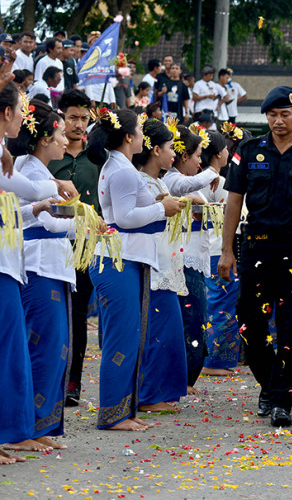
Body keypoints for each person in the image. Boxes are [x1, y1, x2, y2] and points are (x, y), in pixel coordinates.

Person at [219, 85, 292, 428]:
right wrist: (226, 250)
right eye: (272, 115)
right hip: (257, 247)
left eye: (285, 114)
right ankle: (269, 382)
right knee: (249, 320)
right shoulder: (249, 151)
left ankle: (281, 399)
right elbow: (234, 201)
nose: (278, 121)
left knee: (291, 326)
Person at [88, 107, 183, 430]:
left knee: (131, 338)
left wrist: (159, 205)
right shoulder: (123, 170)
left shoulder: (120, 166)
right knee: (122, 340)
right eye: (141, 132)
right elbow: (125, 218)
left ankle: (123, 411)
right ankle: (113, 414)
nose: (144, 137)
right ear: (129, 137)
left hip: (127, 258)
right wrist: (161, 208)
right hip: (119, 259)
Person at [11, 100, 74, 452]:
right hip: (38, 265)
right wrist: (84, 223)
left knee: (55, 347)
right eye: (62, 134)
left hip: (52, 265)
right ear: (45, 138)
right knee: (41, 346)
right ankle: (29, 425)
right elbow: (47, 221)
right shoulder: (29, 171)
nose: (66, 140)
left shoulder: (38, 171)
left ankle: (41, 424)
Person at [133, 118, 189, 413]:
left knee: (168, 331)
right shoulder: (140, 181)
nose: (173, 154)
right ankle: (149, 395)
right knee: (156, 332)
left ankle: (160, 392)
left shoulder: (158, 182)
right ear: (155, 150)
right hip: (152, 267)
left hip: (165, 265)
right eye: (170, 147)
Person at [50, 89, 100, 407]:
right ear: (62, 117)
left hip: (85, 248)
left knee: (77, 315)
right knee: (52, 314)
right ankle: (48, 379)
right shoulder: (50, 153)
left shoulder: (97, 158)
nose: (79, 124)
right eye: (73, 118)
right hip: (50, 245)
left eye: (84, 118)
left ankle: (73, 383)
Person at [164, 123, 220, 391]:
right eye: (198, 156)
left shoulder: (187, 183)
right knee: (190, 321)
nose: (200, 162)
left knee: (196, 319)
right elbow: (188, 184)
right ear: (184, 155)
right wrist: (213, 170)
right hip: (182, 262)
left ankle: (185, 378)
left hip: (194, 261)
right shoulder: (172, 180)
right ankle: (181, 378)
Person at [199, 132, 235, 376]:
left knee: (212, 303)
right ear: (217, 154)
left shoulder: (193, 179)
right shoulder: (218, 182)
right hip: (218, 248)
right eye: (225, 149)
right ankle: (215, 361)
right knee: (222, 305)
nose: (227, 153)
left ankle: (210, 357)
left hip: (205, 249)